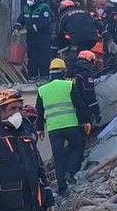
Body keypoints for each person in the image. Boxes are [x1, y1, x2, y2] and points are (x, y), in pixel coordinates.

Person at [36, 58, 92, 196]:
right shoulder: (69, 85)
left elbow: (39, 111)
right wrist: (86, 121)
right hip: (70, 125)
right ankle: (71, 172)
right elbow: (79, 105)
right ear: (64, 71)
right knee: (77, 147)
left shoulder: (42, 90)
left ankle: (62, 189)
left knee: (58, 156)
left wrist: (40, 129)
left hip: (54, 128)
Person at [13, 0, 52, 82]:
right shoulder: (26, 8)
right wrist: (16, 27)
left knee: (43, 60)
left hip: (43, 39)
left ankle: (44, 79)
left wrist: (27, 30)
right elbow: (21, 19)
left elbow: (44, 24)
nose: (29, 0)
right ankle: (32, 80)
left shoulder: (44, 7)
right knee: (32, 60)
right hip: (31, 40)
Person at [69, 49, 102, 125]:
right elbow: (89, 95)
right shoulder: (86, 74)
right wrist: (97, 112)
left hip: (67, 110)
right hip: (81, 109)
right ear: (90, 61)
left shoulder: (68, 73)